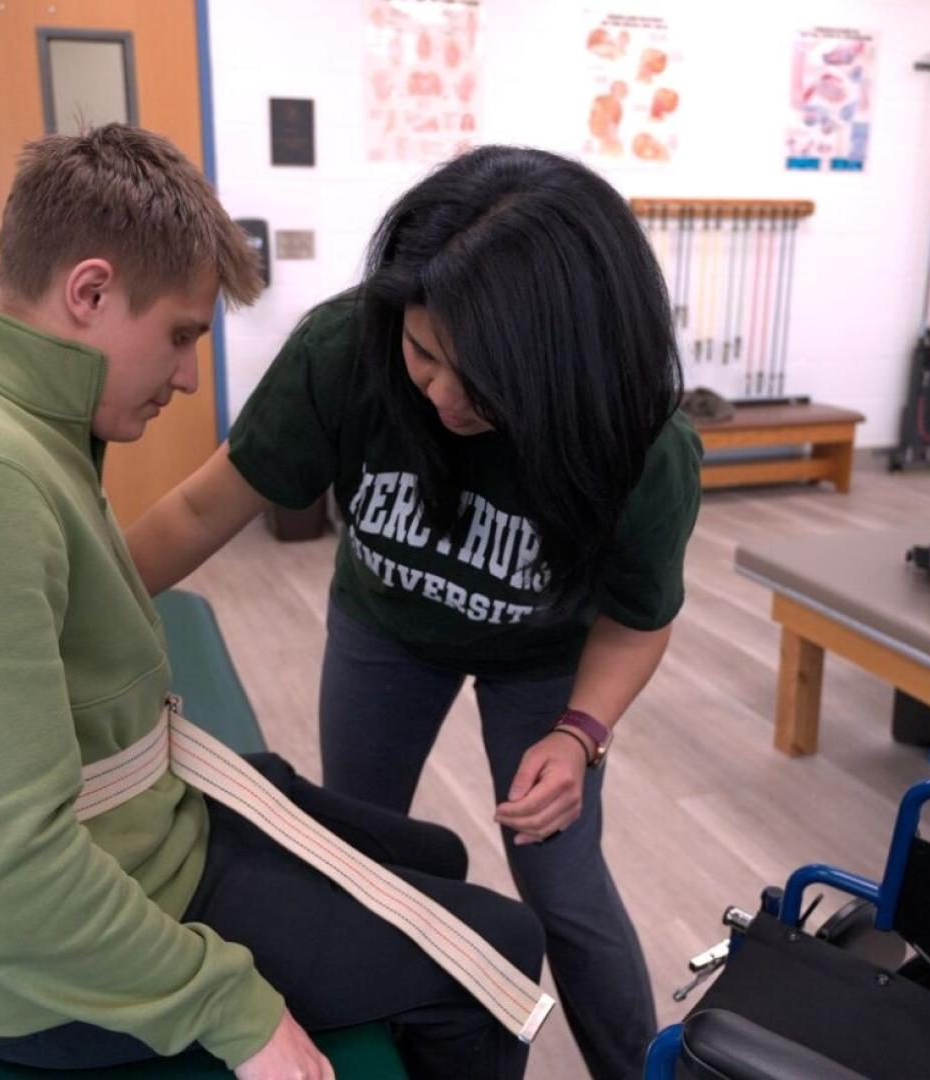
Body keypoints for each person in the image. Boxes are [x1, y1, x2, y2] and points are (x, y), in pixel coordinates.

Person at [0, 124, 544, 1080]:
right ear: (88, 292)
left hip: (138, 837)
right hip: (52, 969)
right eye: (179, 335)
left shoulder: (7, 410)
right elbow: (5, 882)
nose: (188, 375)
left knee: (436, 854)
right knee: (498, 953)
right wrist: (230, 1008)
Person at [129, 144, 702, 1078]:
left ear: (564, 369)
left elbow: (638, 621)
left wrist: (580, 733)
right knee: (360, 846)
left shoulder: (640, 441)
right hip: (387, 629)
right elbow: (200, 508)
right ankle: (401, 1038)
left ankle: (637, 1070)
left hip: (544, 658)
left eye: (482, 384)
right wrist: (62, 609)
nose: (440, 397)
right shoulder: (344, 349)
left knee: (561, 883)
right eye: (424, 354)